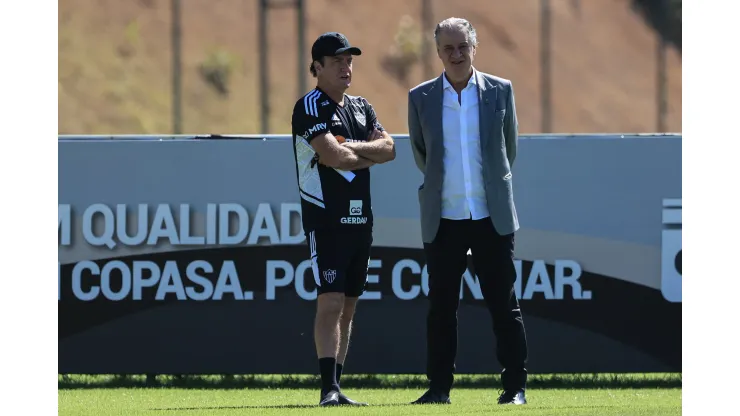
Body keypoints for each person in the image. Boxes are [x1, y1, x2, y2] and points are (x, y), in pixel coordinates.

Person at [407, 17, 529, 406]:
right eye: (448, 48)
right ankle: (439, 388)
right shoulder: (421, 96)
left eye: (463, 47)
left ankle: (514, 388)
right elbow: (421, 154)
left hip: (491, 216)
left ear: (474, 48)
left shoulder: (500, 91)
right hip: (444, 218)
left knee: (503, 305)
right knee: (441, 309)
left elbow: (508, 151)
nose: (456, 54)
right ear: (438, 52)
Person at [290, 31, 396, 407]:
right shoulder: (310, 106)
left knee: (348, 306)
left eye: (349, 60)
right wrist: (362, 154)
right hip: (326, 220)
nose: (345, 67)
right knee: (331, 302)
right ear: (317, 67)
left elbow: (390, 149)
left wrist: (350, 147)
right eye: (337, 61)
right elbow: (331, 157)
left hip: (359, 220)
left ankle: (337, 386)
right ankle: (327, 389)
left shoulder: (361, 107)